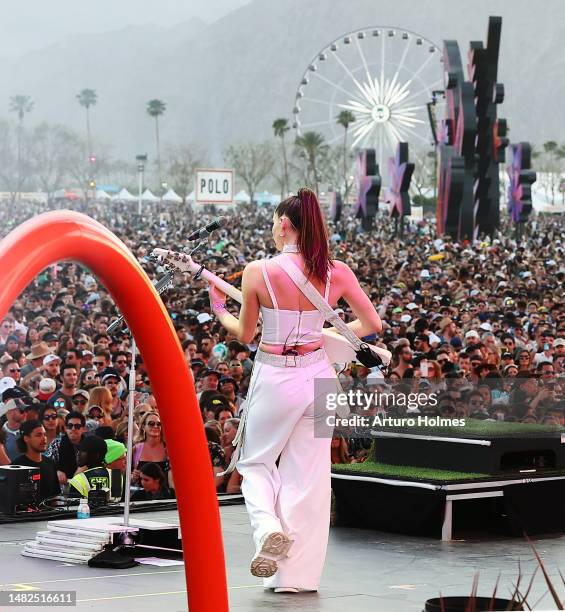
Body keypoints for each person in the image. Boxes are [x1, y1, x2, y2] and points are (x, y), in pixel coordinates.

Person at [207, 188, 381, 592]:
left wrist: (219, 310)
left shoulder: (259, 271)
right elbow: (371, 324)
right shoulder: (337, 271)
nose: (272, 228)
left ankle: (267, 528)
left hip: (278, 374)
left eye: (274, 222)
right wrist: (319, 334)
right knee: (311, 477)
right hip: (320, 377)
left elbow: (247, 334)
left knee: (254, 463)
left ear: (285, 225)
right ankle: (297, 579)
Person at [12, 419, 60, 502]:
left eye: (45, 435)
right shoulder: (16, 466)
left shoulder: (50, 463)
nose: (44, 439)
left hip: (49, 513)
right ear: (26, 438)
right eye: (38, 435)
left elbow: (55, 496)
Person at [44, 411, 86, 485]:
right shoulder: (57, 443)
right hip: (61, 487)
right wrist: (57, 471)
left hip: (84, 486)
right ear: (66, 428)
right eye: (70, 426)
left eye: (77, 426)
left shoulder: (89, 445)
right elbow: (46, 464)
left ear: (83, 429)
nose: (73, 429)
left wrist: (84, 467)